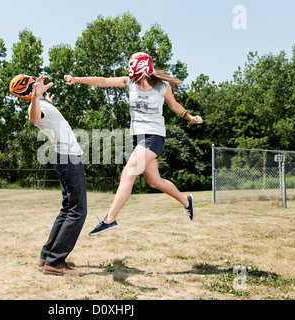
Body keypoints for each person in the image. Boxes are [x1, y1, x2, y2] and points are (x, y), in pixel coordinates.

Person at [64, 52, 203, 236]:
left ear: (145, 70)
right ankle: (187, 201)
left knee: (128, 172)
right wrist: (76, 79)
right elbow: (103, 81)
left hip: (154, 136)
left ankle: (109, 220)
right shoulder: (129, 82)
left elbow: (174, 105)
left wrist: (189, 116)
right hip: (138, 137)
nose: (132, 75)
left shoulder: (163, 86)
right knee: (154, 182)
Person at [10, 74, 87, 276]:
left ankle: (47, 255)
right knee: (77, 211)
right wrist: (36, 98)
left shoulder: (43, 103)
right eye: (34, 82)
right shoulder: (36, 105)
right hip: (68, 158)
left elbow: (42, 116)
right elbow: (35, 118)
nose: (39, 82)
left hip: (65, 157)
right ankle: (54, 262)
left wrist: (42, 99)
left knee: (68, 209)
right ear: (29, 89)